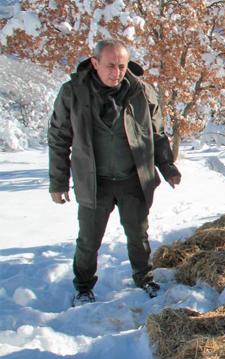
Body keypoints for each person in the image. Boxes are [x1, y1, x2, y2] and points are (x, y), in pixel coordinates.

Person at [48, 39, 181, 306]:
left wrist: (167, 167)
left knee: (138, 234)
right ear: (95, 63)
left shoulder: (142, 91)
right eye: (110, 66)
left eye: (122, 66)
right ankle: (84, 286)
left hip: (133, 178)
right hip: (94, 181)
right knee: (89, 240)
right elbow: (59, 137)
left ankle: (144, 277)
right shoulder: (73, 92)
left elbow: (156, 134)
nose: (117, 72)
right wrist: (58, 182)